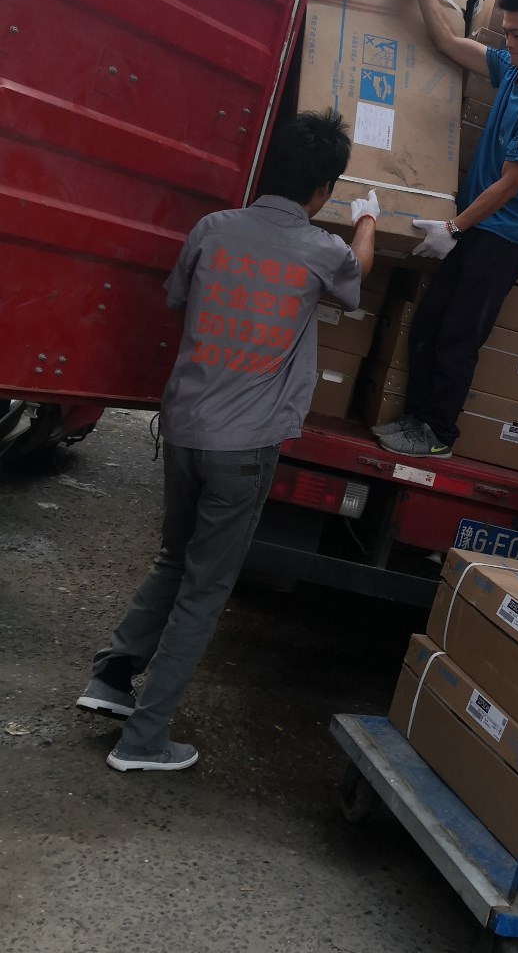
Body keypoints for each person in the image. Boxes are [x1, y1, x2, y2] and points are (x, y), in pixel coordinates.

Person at [76, 112, 377, 773]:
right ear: (323, 189)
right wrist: (367, 221)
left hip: (184, 428)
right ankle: (144, 740)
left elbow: (178, 297)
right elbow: (357, 279)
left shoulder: (212, 229)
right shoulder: (322, 251)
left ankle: (112, 678)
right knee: (205, 588)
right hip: (244, 448)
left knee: (173, 557)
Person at [373, 0, 518, 459]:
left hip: (501, 239)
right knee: (428, 327)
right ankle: (415, 421)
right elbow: (447, 42)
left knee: (457, 339)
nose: (508, 42)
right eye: (506, 33)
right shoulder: (513, 70)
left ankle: (437, 434)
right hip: (473, 227)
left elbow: (510, 183)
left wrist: (453, 227)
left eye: (517, 34)